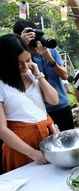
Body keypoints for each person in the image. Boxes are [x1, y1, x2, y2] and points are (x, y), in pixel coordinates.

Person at [0, 34, 58, 172]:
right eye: (18, 63)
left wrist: (38, 75)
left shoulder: (31, 73)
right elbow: (2, 130)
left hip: (46, 138)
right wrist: (33, 153)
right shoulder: (1, 85)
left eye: (28, 60)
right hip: (22, 148)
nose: (25, 66)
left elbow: (53, 100)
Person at [13, 19, 74, 131]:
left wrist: (47, 56)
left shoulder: (49, 50)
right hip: (39, 113)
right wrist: (22, 47)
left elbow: (65, 75)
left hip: (62, 106)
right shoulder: (19, 58)